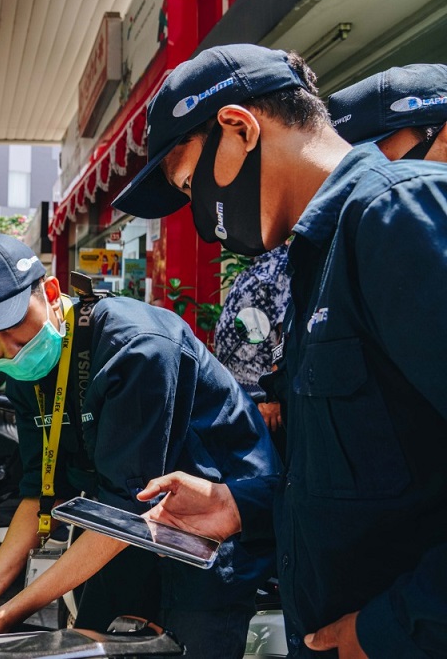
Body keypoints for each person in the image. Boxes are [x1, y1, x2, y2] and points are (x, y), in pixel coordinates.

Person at [111, 45, 447, 656]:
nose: (199, 214)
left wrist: (389, 629)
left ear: (238, 128)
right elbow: (377, 461)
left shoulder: (395, 215)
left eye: (192, 184)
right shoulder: (313, 259)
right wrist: (242, 504)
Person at [0, 234, 280, 658]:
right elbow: (40, 493)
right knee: (85, 645)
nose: (10, 350)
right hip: (125, 534)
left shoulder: (135, 347)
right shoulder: (25, 373)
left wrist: (7, 616)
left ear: (51, 292)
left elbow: (127, 509)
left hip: (208, 537)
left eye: (13, 326)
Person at [212, 243, 290, 445]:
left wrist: (274, 396)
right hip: (242, 393)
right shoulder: (256, 265)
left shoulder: (281, 265)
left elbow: (285, 334)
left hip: (261, 398)